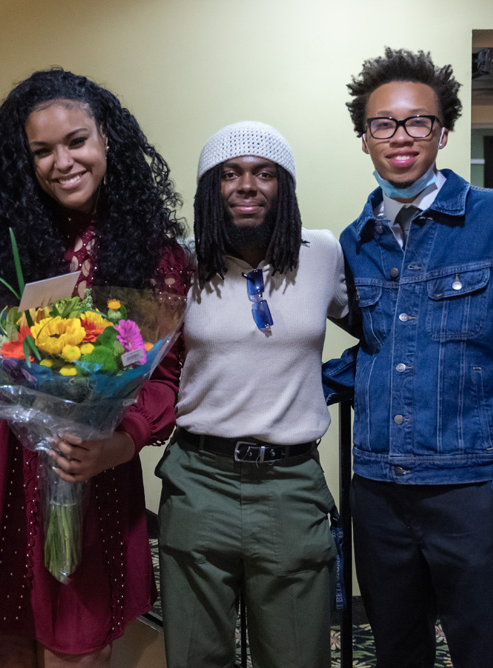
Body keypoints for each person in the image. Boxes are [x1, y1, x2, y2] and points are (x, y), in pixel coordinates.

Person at [0, 69, 190, 667]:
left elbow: (169, 372)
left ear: (107, 139)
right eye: (42, 150)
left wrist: (120, 443)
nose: (62, 161)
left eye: (76, 141)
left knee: (80, 647)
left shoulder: (151, 248)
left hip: (87, 468)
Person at [337, 48, 493, 667]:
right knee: (398, 654)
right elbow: (380, 349)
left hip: (471, 490)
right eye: (383, 123)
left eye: (418, 122)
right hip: (378, 491)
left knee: (492, 654)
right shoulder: (354, 241)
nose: (400, 136)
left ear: (442, 130)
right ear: (365, 138)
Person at [156, 121, 348, 668]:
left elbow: (386, 332)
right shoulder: (180, 265)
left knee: (295, 657)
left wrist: (326, 384)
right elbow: (143, 362)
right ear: (208, 190)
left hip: (291, 485)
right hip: (199, 482)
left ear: (283, 189)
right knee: (195, 658)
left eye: (266, 174)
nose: (248, 185)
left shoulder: (323, 253)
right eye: (230, 174)